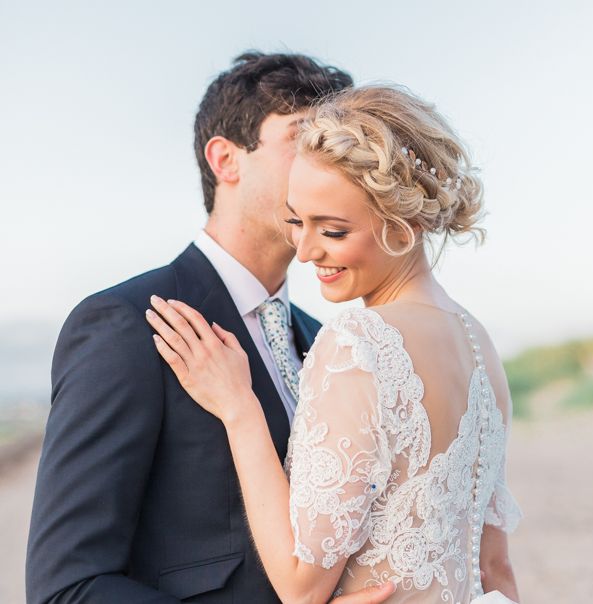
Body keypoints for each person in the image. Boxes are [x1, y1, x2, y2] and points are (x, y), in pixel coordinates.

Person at [26, 52, 396, 604]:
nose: (329, 168)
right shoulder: (126, 326)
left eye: (336, 146)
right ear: (226, 159)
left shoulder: (325, 342)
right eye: (303, 139)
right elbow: (68, 589)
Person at [146, 85, 523, 603]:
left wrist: (239, 409)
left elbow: (302, 586)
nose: (305, 251)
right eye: (298, 222)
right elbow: (495, 567)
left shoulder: (358, 342)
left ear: (405, 222)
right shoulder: (478, 342)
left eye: (334, 230)